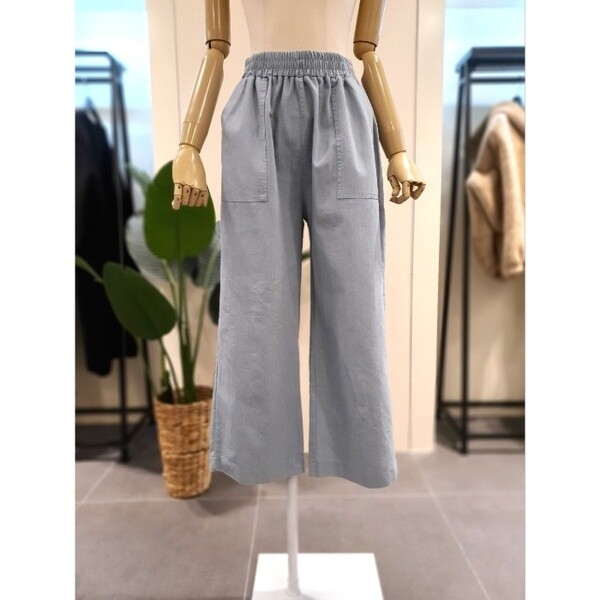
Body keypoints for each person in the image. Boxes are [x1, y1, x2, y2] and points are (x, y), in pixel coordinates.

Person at [170, 0, 426, 488]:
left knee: (355, 301)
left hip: (343, 111)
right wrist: (189, 146)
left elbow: (367, 51)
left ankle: (359, 452)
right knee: (255, 304)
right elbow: (216, 47)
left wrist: (398, 150)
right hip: (257, 111)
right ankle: (257, 454)